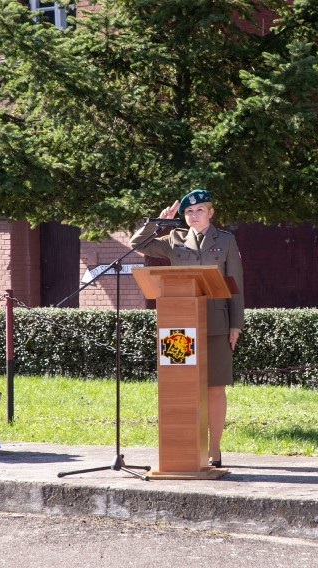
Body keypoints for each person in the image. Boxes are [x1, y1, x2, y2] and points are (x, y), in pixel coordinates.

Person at [130, 189, 244, 468]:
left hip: (216, 322)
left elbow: (235, 285)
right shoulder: (173, 239)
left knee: (215, 388)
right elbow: (138, 243)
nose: (194, 216)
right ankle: (185, 447)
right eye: (189, 212)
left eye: (200, 210)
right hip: (178, 326)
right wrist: (159, 222)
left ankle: (213, 450)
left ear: (211, 212)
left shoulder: (226, 241)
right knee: (181, 386)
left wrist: (235, 325)